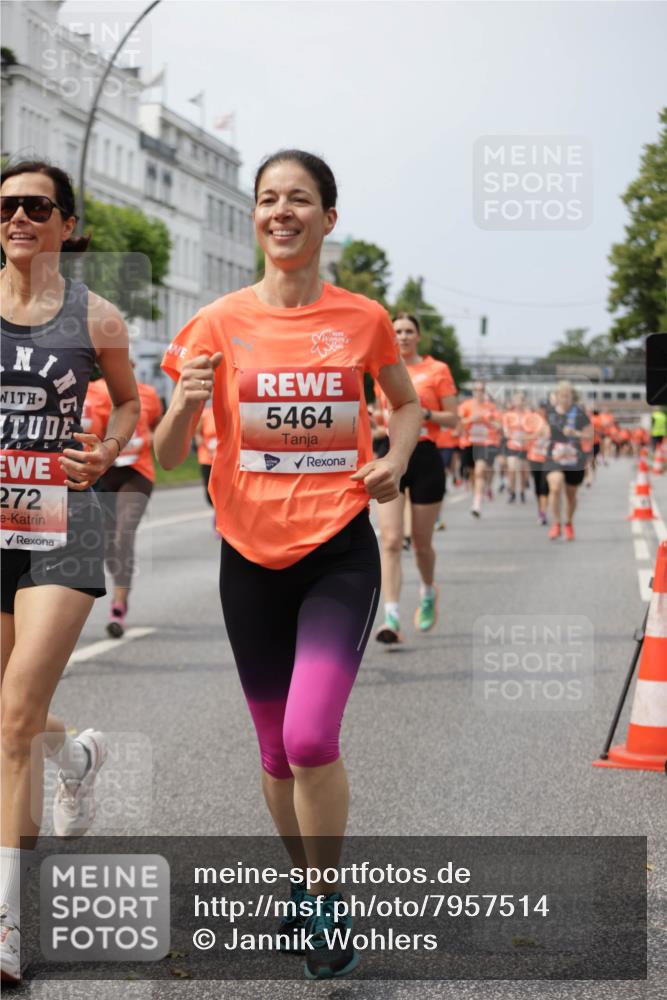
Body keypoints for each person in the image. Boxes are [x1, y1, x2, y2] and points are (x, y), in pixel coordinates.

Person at [154, 150, 421, 981]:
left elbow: (404, 403)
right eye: (267, 199)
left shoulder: (364, 319)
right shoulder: (215, 323)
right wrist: (188, 404)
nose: (281, 211)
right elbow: (165, 453)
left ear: (326, 220)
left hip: (337, 551)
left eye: (298, 199)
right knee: (273, 752)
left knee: (310, 737)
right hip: (249, 559)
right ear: (255, 217)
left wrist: (395, 458)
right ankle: (305, 888)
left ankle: (327, 898)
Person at [0, 160, 139, 982]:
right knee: (8, 716)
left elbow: (125, 402)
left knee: (15, 716)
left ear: (65, 223)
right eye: (7, 206)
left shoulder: (98, 317)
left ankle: (7, 925)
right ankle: (77, 759)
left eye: (35, 206)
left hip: (62, 522)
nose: (19, 217)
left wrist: (109, 447)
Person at [373, 313, 457, 642]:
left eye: (409, 331)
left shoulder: (437, 371)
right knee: (391, 540)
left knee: (422, 545)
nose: (403, 336)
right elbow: (383, 420)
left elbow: (454, 420)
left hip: (424, 456)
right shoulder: (381, 369)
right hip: (390, 455)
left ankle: (427, 591)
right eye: (398, 332)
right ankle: (391, 617)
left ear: (418, 337)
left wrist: (424, 414)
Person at [89, 370, 163, 637]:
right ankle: (120, 591)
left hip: (138, 472)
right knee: (108, 542)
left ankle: (118, 606)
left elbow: (157, 421)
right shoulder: (92, 392)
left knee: (124, 535)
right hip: (104, 473)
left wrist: (154, 435)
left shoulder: (148, 394)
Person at [545, 382, 593, 541]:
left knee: (570, 495)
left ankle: (568, 523)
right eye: (562, 396)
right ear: (556, 397)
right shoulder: (550, 413)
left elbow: (590, 435)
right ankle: (556, 523)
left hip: (574, 459)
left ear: (572, 397)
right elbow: (542, 431)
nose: (565, 399)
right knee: (555, 486)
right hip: (554, 457)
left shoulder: (579, 413)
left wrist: (576, 433)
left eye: (568, 396)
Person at [458, 381, 502, 517]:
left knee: (480, 471)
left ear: (485, 392)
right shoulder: (466, 406)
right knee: (472, 473)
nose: (479, 392)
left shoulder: (491, 407)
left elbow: (499, 426)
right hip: (469, 443)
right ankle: (477, 493)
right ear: (473, 391)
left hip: (486, 443)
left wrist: (486, 421)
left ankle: (477, 504)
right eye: (476, 390)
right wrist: (471, 419)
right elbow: (458, 423)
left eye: (482, 390)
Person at [502, 391, 532, 503]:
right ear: (514, 402)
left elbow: (533, 429)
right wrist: (510, 435)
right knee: (512, 469)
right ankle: (512, 492)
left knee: (523, 472)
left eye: (521, 400)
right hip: (513, 446)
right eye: (517, 400)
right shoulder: (508, 415)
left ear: (524, 402)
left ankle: (522, 491)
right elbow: (505, 430)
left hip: (525, 447)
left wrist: (527, 436)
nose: (519, 403)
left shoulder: (529, 415)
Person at [194, 402, 217, 505]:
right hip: (207, 458)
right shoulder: (205, 414)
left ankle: (219, 514)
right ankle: (216, 511)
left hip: (221, 459)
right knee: (209, 492)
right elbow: (197, 434)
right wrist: (208, 448)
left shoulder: (228, 413)